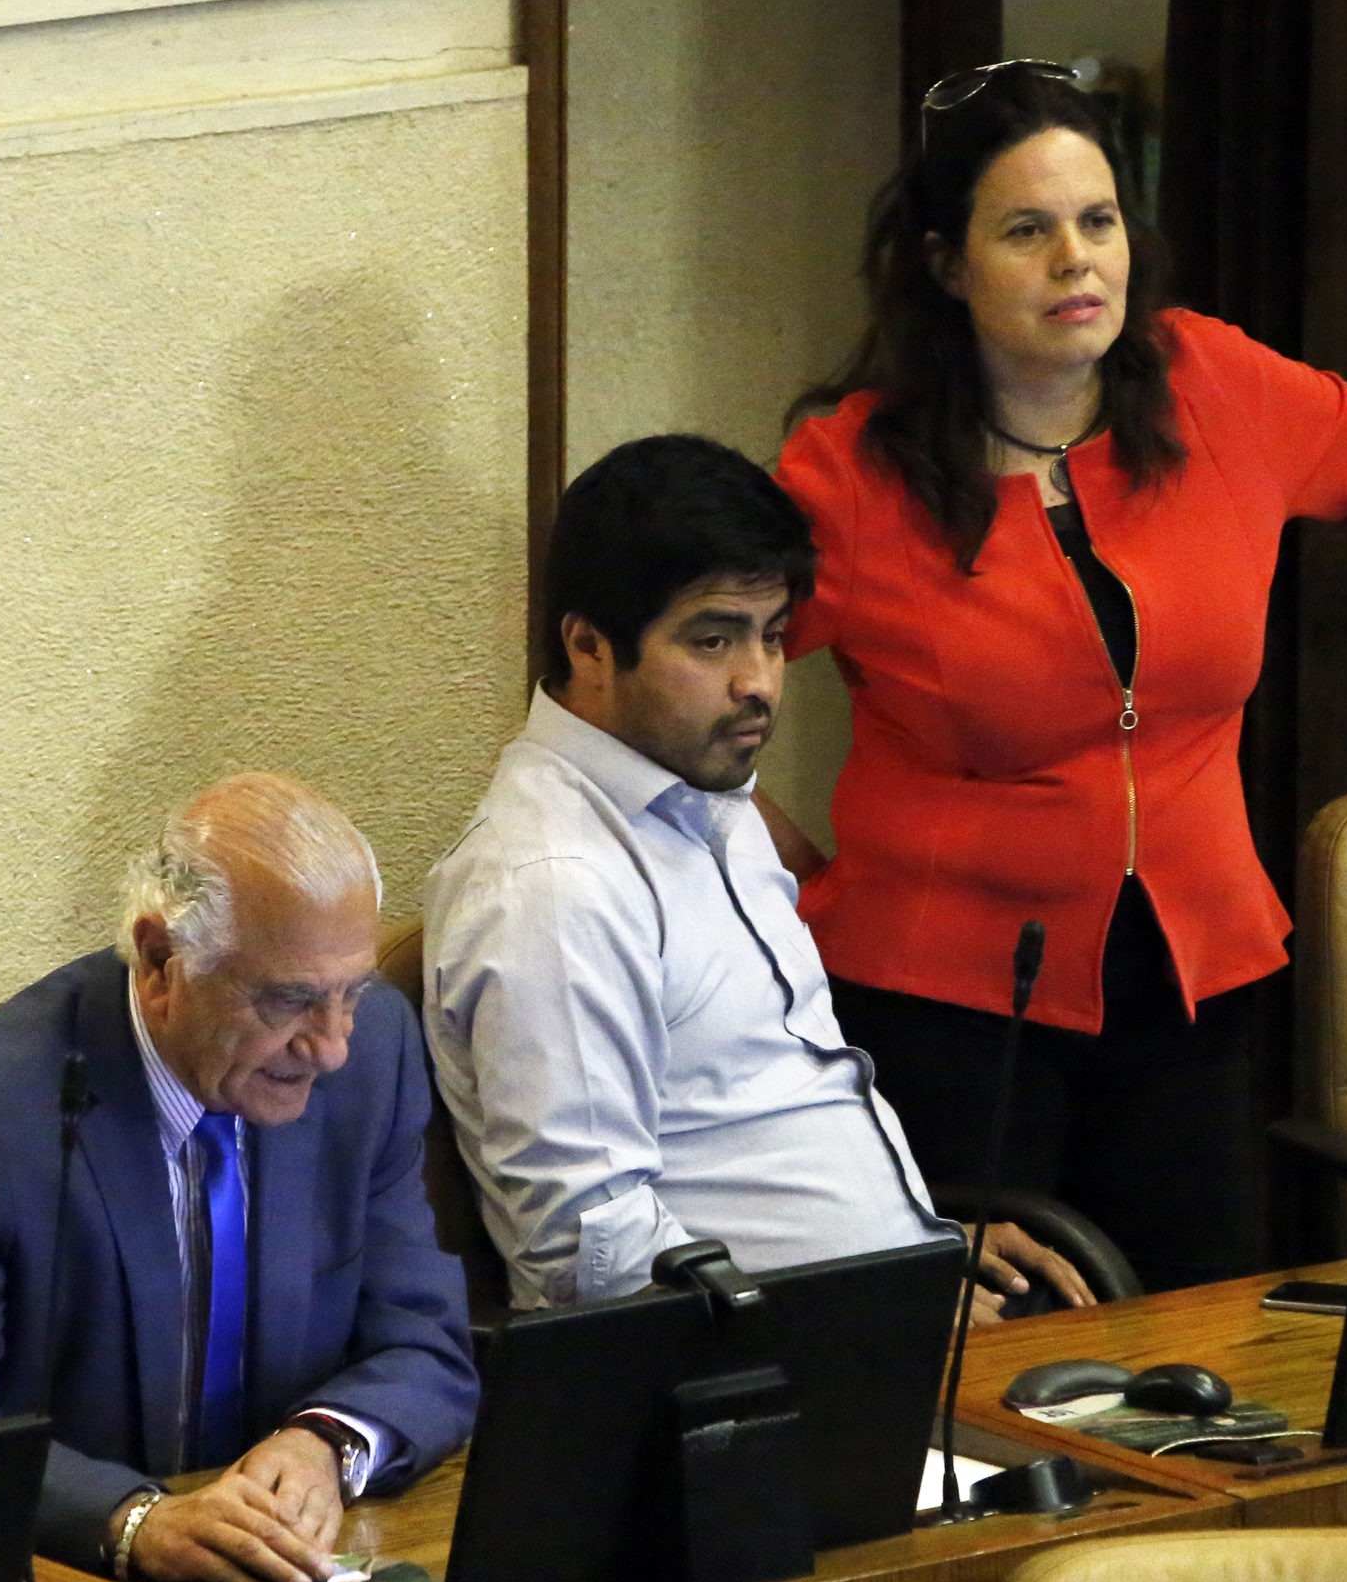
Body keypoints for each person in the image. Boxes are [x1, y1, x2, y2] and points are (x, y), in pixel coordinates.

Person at [770, 61, 1347, 1289]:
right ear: (945, 265)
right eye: (1026, 230)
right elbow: (679, 678)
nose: (1075, 260)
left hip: (1193, 984)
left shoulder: (1214, 387)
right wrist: (787, 879)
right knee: (997, 1355)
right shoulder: (851, 474)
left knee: (1194, 1338)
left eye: (1099, 221)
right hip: (943, 1008)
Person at [422, 434, 1090, 1317]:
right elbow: (592, 1254)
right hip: (766, 1371)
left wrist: (921, 1240)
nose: (761, 681)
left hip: (887, 1309)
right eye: (712, 641)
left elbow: (766, 1126)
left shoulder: (707, 795)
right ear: (588, 645)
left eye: (772, 636)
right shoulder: (553, 885)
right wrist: (885, 1310)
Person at [0, 774, 477, 1582]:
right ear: (160, 963)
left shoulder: (374, 1055)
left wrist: (323, 1441)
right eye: (289, 1001)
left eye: (349, 993)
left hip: (294, 1579)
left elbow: (427, 1341)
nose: (330, 1048)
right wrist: (133, 1521)